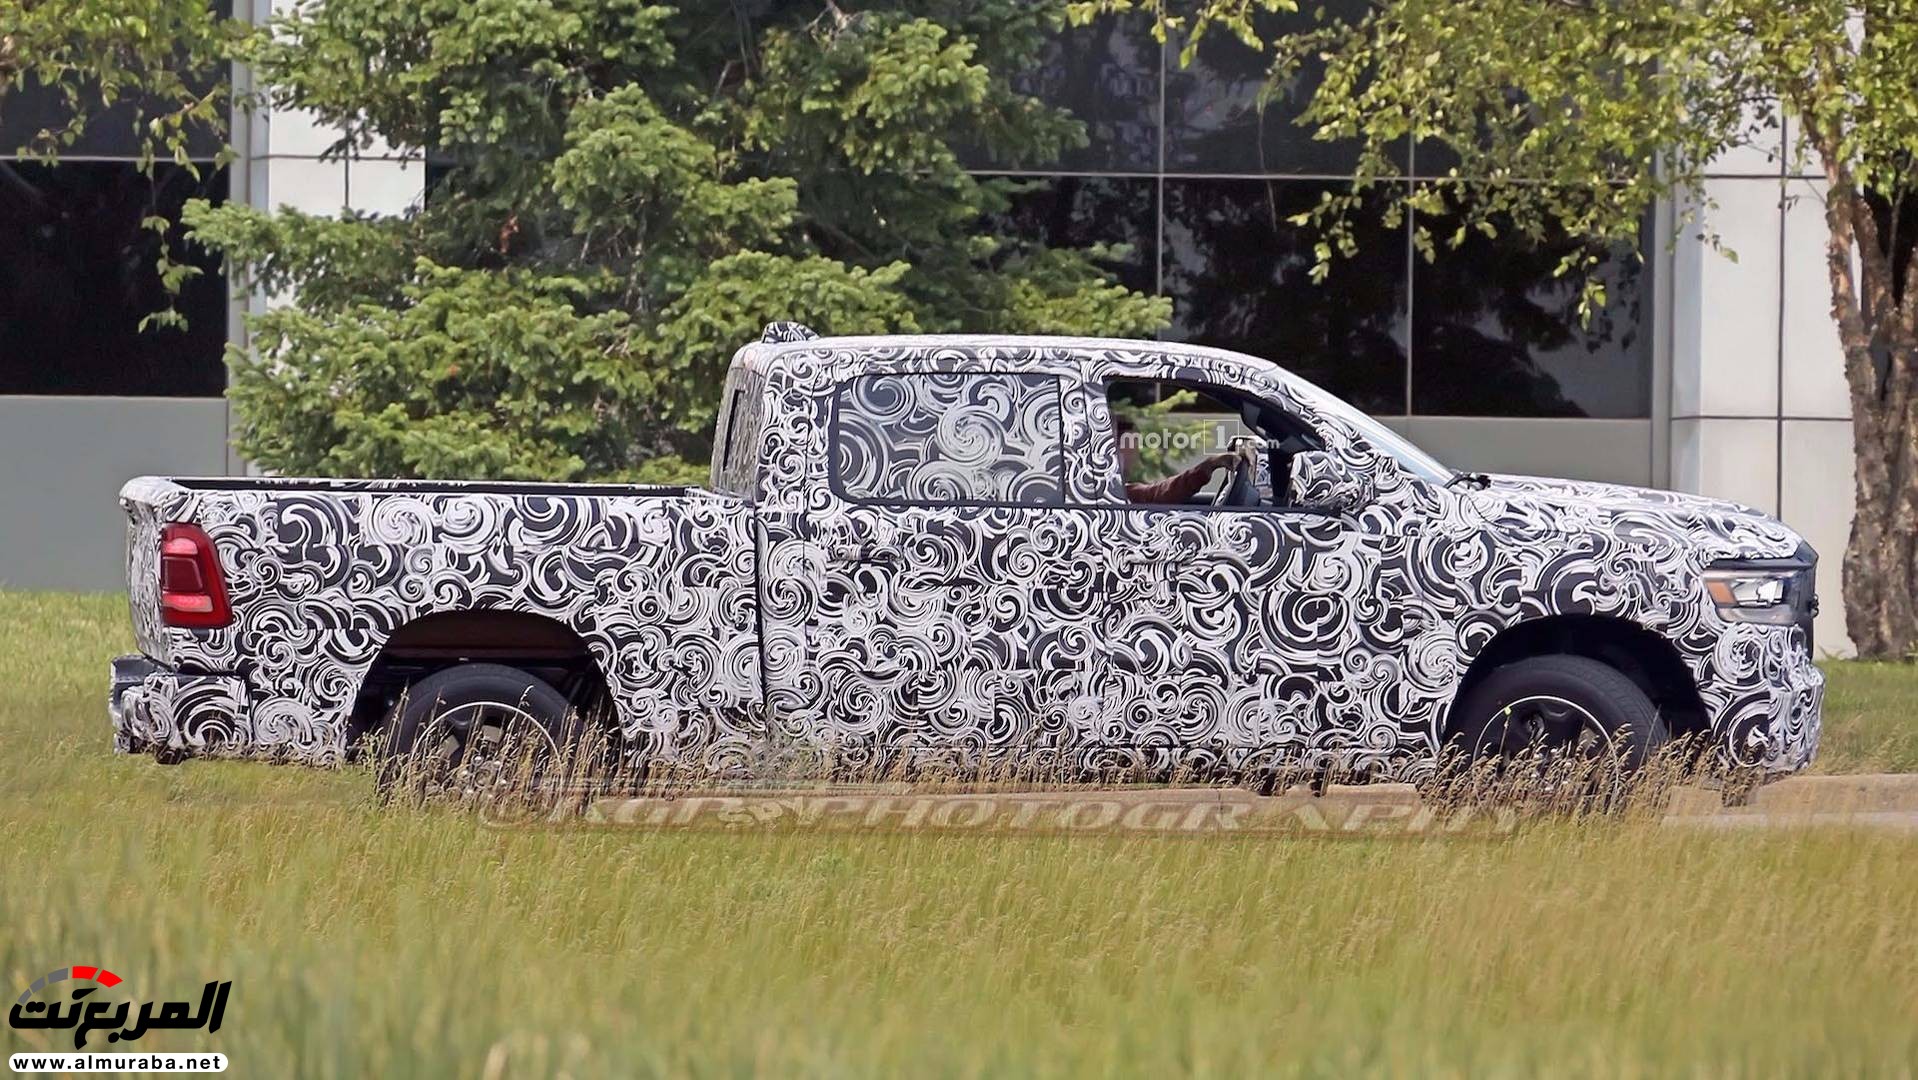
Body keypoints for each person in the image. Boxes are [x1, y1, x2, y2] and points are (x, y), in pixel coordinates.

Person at [1113, 415, 1240, 504]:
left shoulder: (1122, 494)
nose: (1136, 452)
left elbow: (1159, 493)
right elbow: (1160, 493)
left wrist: (1210, 464)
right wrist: (1210, 465)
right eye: (1131, 444)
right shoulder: (1112, 497)